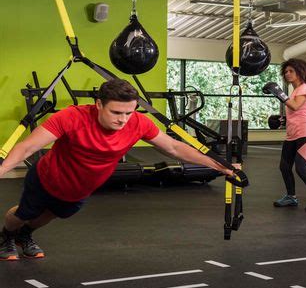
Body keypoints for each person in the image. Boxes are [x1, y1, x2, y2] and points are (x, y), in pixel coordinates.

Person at [0, 79, 237, 261]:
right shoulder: (72, 117)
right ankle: (7, 237)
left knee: (52, 214)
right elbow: (27, 147)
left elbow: (174, 147)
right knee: (24, 213)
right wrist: (2, 170)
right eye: (116, 112)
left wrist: (219, 165)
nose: (123, 119)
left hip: (80, 189)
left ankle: (25, 234)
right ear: (99, 104)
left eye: (129, 112)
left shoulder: (138, 123)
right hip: (47, 178)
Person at [262, 58, 306, 213]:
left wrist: (278, 92)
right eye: (286, 71)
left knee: (301, 169)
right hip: (293, 134)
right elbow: (296, 112)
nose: (287, 74)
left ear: (300, 72)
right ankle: (291, 197)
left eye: (291, 71)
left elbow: (296, 106)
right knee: (284, 167)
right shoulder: (294, 92)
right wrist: (282, 120)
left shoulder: (305, 88)